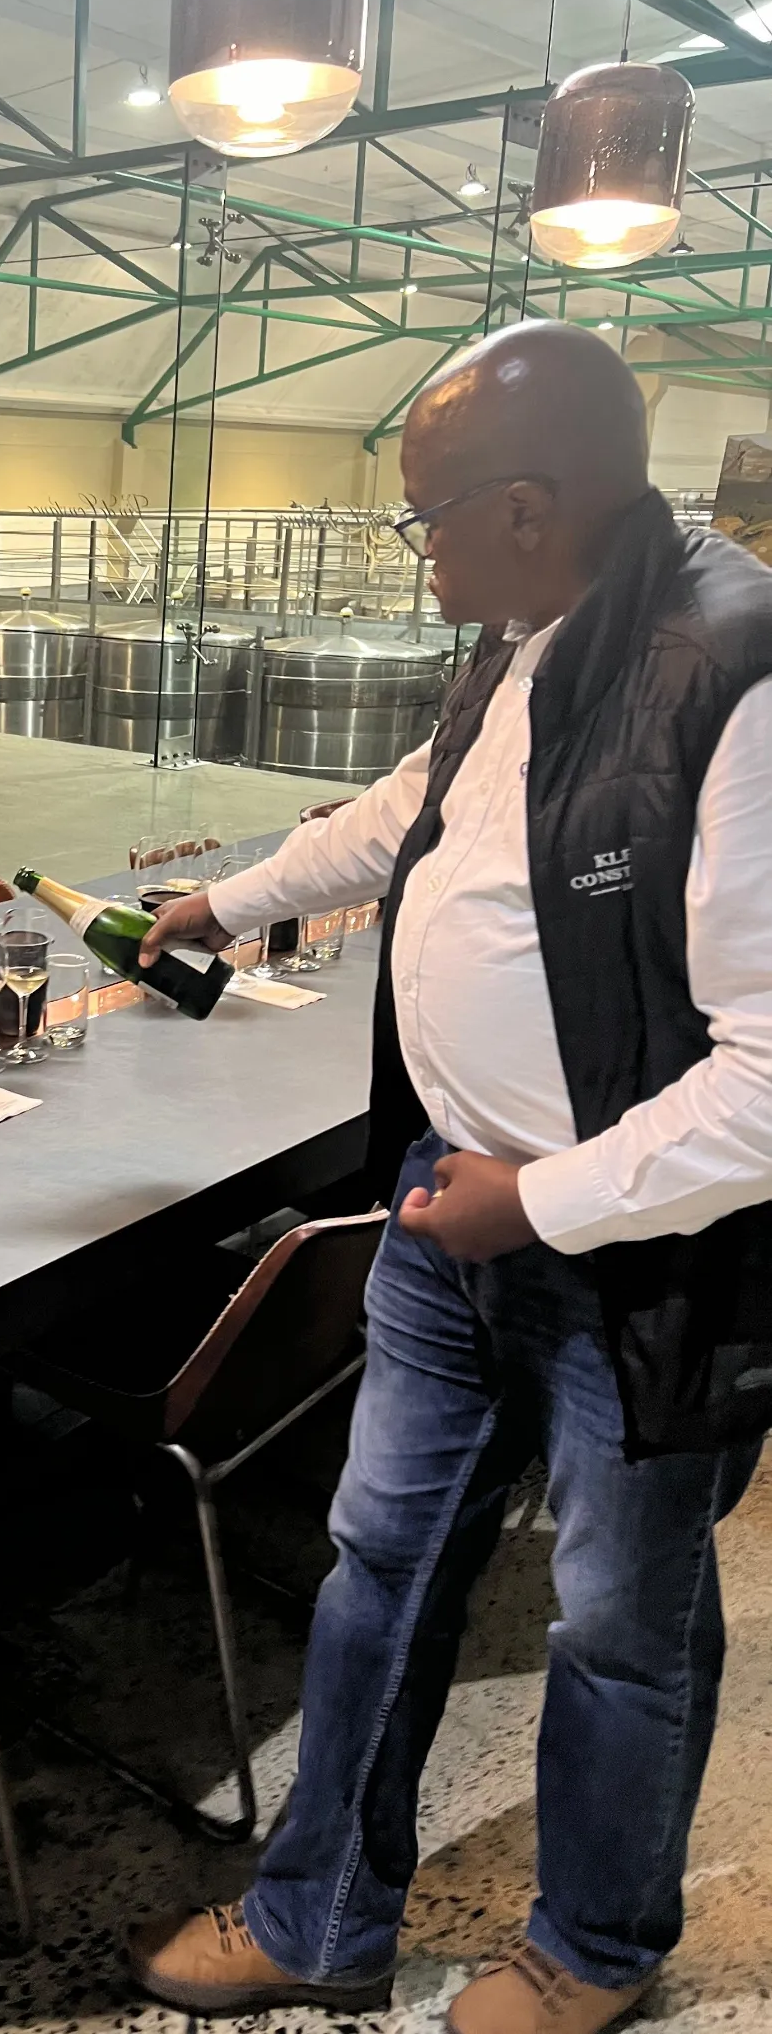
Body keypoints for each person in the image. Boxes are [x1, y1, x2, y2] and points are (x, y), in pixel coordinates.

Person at [128, 322, 772, 2034]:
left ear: (532, 505)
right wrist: (238, 897)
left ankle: (595, 1953)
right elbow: (425, 809)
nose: (413, 553)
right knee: (380, 1565)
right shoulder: (529, 629)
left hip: (643, 1258)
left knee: (618, 1626)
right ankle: (320, 1916)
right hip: (450, 1212)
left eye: (426, 516)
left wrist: (540, 1206)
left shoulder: (737, 675)